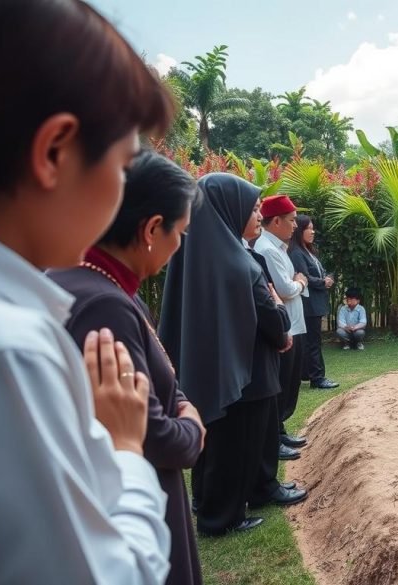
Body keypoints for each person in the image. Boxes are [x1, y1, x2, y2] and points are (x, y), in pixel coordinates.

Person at [0, 1, 175, 582]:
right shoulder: (4, 354)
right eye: (124, 166)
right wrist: (127, 450)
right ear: (55, 152)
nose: (123, 192)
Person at [49, 150, 206, 584]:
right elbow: (146, 432)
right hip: (135, 498)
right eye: (182, 233)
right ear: (153, 228)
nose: (180, 247)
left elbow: (160, 383)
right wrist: (192, 430)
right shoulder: (104, 305)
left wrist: (179, 401)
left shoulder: (98, 283)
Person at [159, 173, 300, 537]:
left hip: (207, 366)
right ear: (229, 209)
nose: (257, 216)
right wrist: (279, 316)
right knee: (237, 447)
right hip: (247, 371)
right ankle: (222, 517)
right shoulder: (238, 262)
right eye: (252, 209)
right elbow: (270, 315)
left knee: (215, 444)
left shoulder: (192, 254)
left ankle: (207, 503)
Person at [253, 194, 309, 457]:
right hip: (285, 328)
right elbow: (285, 289)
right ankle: (274, 439)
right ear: (275, 221)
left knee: (288, 384)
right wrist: (301, 283)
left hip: (294, 325)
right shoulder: (266, 249)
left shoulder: (278, 248)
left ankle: (280, 432)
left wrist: (294, 283)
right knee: (280, 386)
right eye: (292, 220)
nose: (295, 226)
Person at [290, 215, 340, 389]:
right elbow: (304, 277)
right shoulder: (296, 252)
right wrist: (322, 282)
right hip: (308, 304)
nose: (312, 232)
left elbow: (319, 272)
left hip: (315, 303)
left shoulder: (308, 251)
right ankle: (317, 378)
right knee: (312, 342)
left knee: (311, 341)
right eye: (308, 228)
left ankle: (309, 374)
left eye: (313, 228)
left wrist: (328, 277)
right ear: (299, 231)